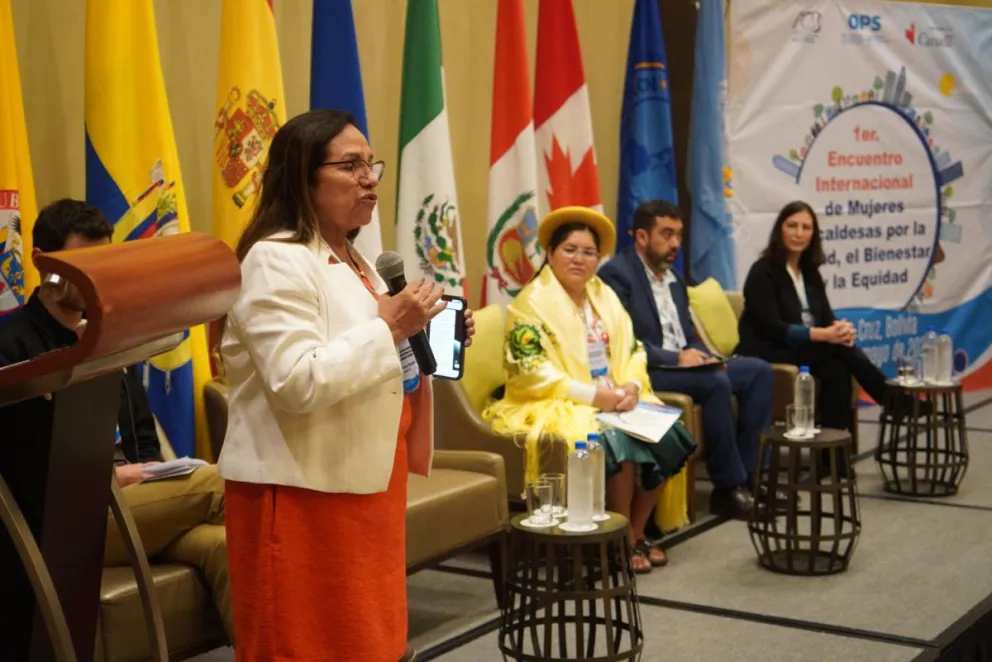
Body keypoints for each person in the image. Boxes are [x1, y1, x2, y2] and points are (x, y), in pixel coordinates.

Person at [217, 108, 474, 662]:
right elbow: (297, 379)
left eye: (370, 164)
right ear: (302, 177)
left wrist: (425, 334)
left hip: (365, 479)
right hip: (301, 489)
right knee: (303, 645)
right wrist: (390, 327)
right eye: (350, 166)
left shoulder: (356, 258)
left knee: (368, 643)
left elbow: (376, 353)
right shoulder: (275, 259)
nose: (370, 179)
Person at [0, 198, 232, 638]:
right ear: (41, 262)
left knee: (225, 545)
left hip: (134, 502)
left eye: (104, 259)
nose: (95, 275)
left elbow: (141, 433)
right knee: (231, 484)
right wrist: (112, 477)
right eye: (82, 261)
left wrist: (153, 471)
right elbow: (23, 465)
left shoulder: (109, 334)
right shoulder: (10, 347)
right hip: (64, 517)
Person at [483, 206, 697, 573]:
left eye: (588, 252)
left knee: (671, 434)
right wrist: (596, 397)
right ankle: (618, 537)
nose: (579, 259)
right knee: (615, 439)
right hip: (556, 402)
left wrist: (630, 386)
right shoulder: (528, 305)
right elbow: (531, 373)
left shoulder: (604, 294)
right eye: (570, 250)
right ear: (550, 253)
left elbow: (633, 348)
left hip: (613, 396)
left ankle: (636, 530)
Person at [599, 200, 774, 519]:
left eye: (678, 235)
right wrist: (678, 357)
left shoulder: (674, 279)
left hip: (685, 367)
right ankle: (727, 489)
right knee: (715, 383)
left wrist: (704, 356)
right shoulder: (616, 275)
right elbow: (624, 343)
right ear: (641, 237)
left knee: (758, 371)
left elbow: (686, 335)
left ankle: (751, 478)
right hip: (647, 372)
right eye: (666, 234)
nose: (675, 243)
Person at [735, 200, 923, 451]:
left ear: (814, 234)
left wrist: (840, 330)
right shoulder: (762, 272)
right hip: (765, 349)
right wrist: (822, 334)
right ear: (780, 229)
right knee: (839, 352)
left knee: (837, 367)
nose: (799, 233)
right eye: (792, 226)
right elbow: (772, 327)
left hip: (803, 349)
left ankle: (833, 458)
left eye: (806, 227)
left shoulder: (810, 272)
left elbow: (826, 317)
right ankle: (894, 401)